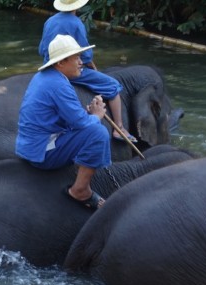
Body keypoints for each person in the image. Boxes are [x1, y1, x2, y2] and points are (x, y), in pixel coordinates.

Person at [16, 34, 112, 210]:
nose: (80, 62)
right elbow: (82, 124)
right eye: (76, 58)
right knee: (99, 133)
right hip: (41, 153)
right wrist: (96, 115)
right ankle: (80, 190)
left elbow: (72, 117)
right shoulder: (58, 84)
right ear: (60, 63)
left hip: (29, 146)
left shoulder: (45, 77)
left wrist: (87, 113)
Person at [39, 0, 136, 144]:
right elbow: (84, 55)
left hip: (50, 65)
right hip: (67, 69)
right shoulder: (76, 23)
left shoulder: (50, 21)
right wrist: (93, 67)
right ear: (79, 5)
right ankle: (119, 128)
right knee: (113, 86)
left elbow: (42, 50)